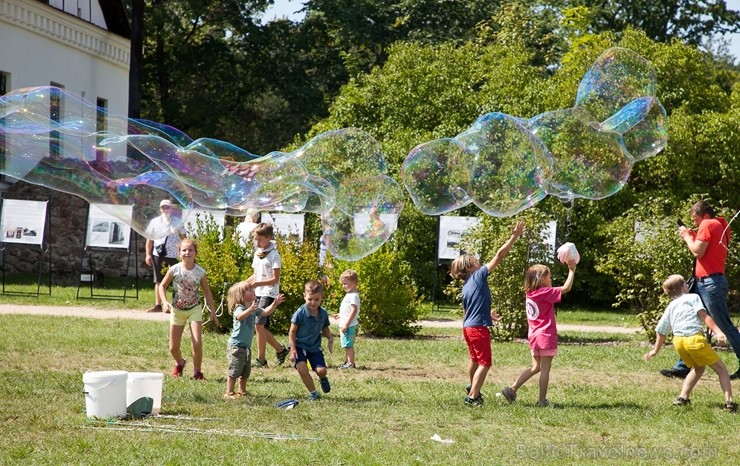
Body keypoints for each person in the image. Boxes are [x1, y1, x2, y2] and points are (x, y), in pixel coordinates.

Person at [660, 200, 739, 379]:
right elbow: (707, 250)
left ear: (704, 215)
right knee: (690, 320)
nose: (695, 223)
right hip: (707, 282)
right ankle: (683, 366)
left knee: (724, 325)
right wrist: (694, 235)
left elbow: (697, 252)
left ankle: (683, 366)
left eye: (696, 220)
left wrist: (687, 236)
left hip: (710, 283)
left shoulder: (707, 223)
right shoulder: (719, 225)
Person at [450, 221, 526, 407]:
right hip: (477, 329)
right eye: (475, 260)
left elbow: (467, 310)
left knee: (475, 360)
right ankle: (472, 397)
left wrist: (487, 313)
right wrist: (514, 236)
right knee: (485, 362)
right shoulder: (478, 275)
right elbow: (499, 256)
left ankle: (472, 387)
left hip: (468, 327)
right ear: (469, 267)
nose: (479, 261)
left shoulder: (467, 285)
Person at [644, 275, 736, 412]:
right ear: (684, 286)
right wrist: (718, 332)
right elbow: (704, 316)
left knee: (698, 367)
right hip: (694, 339)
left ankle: (682, 397)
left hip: (679, 342)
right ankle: (729, 403)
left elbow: (661, 330)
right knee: (721, 369)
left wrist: (655, 350)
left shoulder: (671, 306)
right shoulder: (693, 297)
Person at [501, 260, 576, 407]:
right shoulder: (545, 292)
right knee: (545, 369)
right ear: (542, 279)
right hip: (546, 335)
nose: (551, 279)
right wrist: (572, 270)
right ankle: (542, 401)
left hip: (534, 335)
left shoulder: (530, 293)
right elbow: (566, 288)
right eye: (549, 277)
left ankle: (512, 389)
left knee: (536, 366)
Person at [159, 238, 220, 380]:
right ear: (179, 253)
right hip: (177, 310)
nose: (187, 252)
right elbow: (162, 286)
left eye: (190, 250)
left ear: (196, 253)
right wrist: (164, 302)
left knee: (197, 341)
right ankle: (180, 362)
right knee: (173, 348)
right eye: (184, 250)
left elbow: (207, 292)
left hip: (194, 309)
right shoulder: (174, 269)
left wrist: (212, 311)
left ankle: (197, 372)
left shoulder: (200, 272)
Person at [225, 279, 285, 399]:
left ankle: (242, 391)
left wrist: (275, 304)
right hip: (236, 346)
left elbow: (265, 312)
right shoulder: (240, 308)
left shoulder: (253, 308)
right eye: (249, 290)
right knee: (235, 369)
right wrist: (250, 310)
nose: (253, 291)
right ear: (241, 296)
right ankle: (229, 392)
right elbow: (239, 317)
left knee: (245, 370)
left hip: (245, 346)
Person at [249, 223, 290, 367]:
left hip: (269, 292)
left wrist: (258, 284)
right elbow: (255, 276)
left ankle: (261, 360)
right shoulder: (257, 254)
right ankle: (280, 350)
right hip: (259, 292)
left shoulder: (274, 255)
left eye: (259, 239)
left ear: (269, 238)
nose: (257, 242)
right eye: (255, 239)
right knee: (260, 327)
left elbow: (275, 279)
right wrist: (243, 285)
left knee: (258, 325)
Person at [289, 280, 334, 400]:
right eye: (310, 299)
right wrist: (292, 349)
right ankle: (314, 393)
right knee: (302, 368)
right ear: (304, 296)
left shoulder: (323, 313)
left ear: (321, 298)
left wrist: (329, 337)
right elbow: (292, 332)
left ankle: (322, 378)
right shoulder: (300, 313)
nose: (313, 303)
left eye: (316, 300)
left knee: (321, 370)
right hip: (299, 346)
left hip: (314, 347)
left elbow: (325, 327)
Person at [145, 199, 184, 313]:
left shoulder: (178, 222)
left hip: (174, 255)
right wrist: (148, 254)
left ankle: (175, 304)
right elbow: (149, 239)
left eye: (167, 207)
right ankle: (158, 305)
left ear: (171, 208)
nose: (165, 209)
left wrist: (184, 253)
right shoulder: (154, 222)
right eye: (163, 207)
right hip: (158, 254)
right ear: (160, 208)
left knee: (176, 280)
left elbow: (184, 238)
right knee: (158, 280)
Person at [333, 269, 360, 369]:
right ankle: (348, 361)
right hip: (347, 324)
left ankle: (350, 363)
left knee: (348, 345)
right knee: (346, 344)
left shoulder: (353, 296)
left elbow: (353, 310)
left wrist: (346, 324)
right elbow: (348, 310)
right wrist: (340, 315)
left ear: (353, 283)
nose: (343, 286)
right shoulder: (349, 295)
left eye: (345, 283)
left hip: (349, 325)